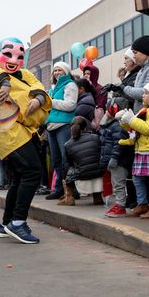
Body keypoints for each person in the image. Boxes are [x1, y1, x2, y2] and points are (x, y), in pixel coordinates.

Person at [0, 37, 52, 244]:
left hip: (28, 131)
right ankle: (17, 223)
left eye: (19, 56)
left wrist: (38, 99)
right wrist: (5, 83)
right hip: (10, 130)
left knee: (19, 178)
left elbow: (40, 88)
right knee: (32, 172)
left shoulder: (25, 74)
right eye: (7, 54)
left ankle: (6, 223)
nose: (13, 59)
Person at [117, 80, 149, 218]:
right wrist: (124, 121)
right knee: (137, 177)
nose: (143, 96)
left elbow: (147, 128)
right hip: (141, 150)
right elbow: (134, 128)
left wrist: (132, 119)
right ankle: (142, 203)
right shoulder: (143, 110)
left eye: (146, 93)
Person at [45, 61, 77, 201]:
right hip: (51, 126)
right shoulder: (53, 88)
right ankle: (59, 189)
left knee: (66, 159)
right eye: (55, 70)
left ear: (66, 72)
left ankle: (72, 189)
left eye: (59, 70)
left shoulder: (70, 85)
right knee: (56, 160)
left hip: (63, 125)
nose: (57, 72)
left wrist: (50, 102)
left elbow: (70, 105)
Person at [100, 95, 134, 218]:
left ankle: (120, 206)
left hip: (119, 161)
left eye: (108, 108)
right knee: (117, 183)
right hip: (117, 160)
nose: (106, 110)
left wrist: (114, 158)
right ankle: (120, 205)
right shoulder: (114, 124)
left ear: (115, 108)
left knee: (119, 184)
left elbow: (119, 144)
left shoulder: (119, 125)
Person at [114, 36, 149, 113]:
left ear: (145, 52)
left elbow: (145, 93)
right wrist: (120, 90)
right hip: (142, 117)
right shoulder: (142, 70)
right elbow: (136, 99)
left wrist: (124, 88)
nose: (134, 56)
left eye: (135, 53)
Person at [62, 116, 104, 206]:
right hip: (97, 172)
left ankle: (69, 197)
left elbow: (67, 164)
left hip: (81, 174)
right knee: (94, 163)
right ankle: (97, 197)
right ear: (85, 127)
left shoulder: (67, 144)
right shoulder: (95, 137)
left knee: (69, 169)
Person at [83, 64, 106, 129]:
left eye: (88, 74)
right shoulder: (82, 88)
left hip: (95, 120)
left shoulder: (100, 89)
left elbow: (101, 105)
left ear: (94, 75)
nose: (86, 76)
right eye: (84, 74)